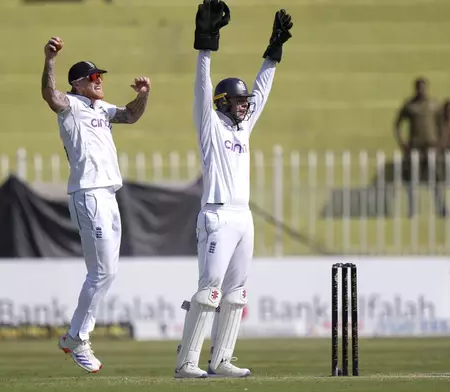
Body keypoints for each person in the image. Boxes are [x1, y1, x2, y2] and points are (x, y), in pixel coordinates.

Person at [173, 0, 293, 379]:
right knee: (209, 291)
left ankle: (221, 359)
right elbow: (200, 88)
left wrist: (273, 54)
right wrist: (206, 44)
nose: (246, 106)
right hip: (217, 215)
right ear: (223, 103)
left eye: (245, 101)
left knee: (236, 293)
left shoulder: (243, 127)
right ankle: (186, 363)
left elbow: (263, 89)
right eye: (239, 101)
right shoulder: (211, 127)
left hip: (243, 216)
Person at [41, 36, 151, 372]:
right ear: (78, 84)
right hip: (88, 193)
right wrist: (50, 60)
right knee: (101, 272)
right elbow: (50, 94)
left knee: (109, 271)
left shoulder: (101, 108)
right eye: (93, 78)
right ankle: (77, 338)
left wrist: (142, 97)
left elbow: (130, 116)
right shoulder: (70, 105)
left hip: (108, 194)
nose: (99, 80)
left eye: (100, 76)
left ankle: (75, 336)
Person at [393, 78, 447, 217]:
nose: (421, 90)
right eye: (418, 87)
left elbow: (443, 124)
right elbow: (397, 124)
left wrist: (441, 142)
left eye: (423, 87)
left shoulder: (434, 105)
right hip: (415, 146)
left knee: (436, 177)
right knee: (412, 178)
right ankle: (412, 209)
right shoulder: (410, 105)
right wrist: (402, 142)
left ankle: (441, 208)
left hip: (431, 146)